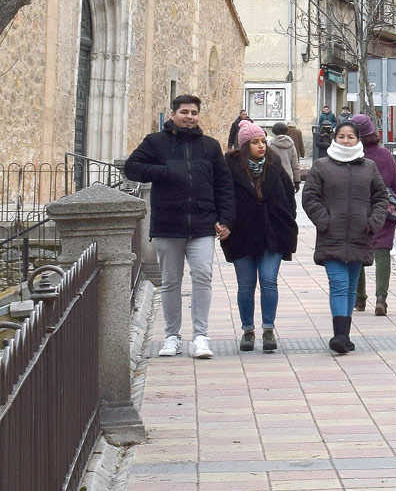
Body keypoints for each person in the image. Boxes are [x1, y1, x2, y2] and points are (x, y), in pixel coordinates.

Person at [122, 94, 233, 360]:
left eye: (194, 112)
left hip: (203, 223)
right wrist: (166, 171)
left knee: (203, 277)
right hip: (168, 224)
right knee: (171, 282)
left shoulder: (209, 146)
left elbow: (224, 184)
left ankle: (200, 336)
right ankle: (172, 336)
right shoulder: (155, 142)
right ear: (173, 114)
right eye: (184, 112)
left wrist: (226, 218)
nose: (189, 117)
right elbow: (132, 168)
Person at [303, 121, 389, 355]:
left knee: (351, 287)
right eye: (341, 136)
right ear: (334, 138)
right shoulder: (321, 166)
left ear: (358, 140)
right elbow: (310, 197)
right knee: (339, 285)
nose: (346, 141)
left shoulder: (369, 167)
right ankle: (339, 335)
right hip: (332, 236)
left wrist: (372, 222)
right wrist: (324, 221)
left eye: (350, 137)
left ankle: (345, 335)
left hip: (361, 236)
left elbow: (381, 197)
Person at [224, 122, 297, 353]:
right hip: (241, 234)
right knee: (245, 286)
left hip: (272, 233)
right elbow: (224, 198)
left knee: (268, 280)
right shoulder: (231, 168)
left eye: (263, 141)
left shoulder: (274, 166)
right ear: (245, 145)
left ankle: (268, 329)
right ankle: (248, 330)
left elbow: (289, 198)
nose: (261, 146)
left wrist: (286, 222)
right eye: (255, 142)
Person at [349, 114, 396, 316]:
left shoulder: (351, 155)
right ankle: (381, 298)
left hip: (357, 210)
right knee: (382, 253)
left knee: (358, 254)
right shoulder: (384, 155)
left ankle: (359, 298)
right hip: (384, 210)